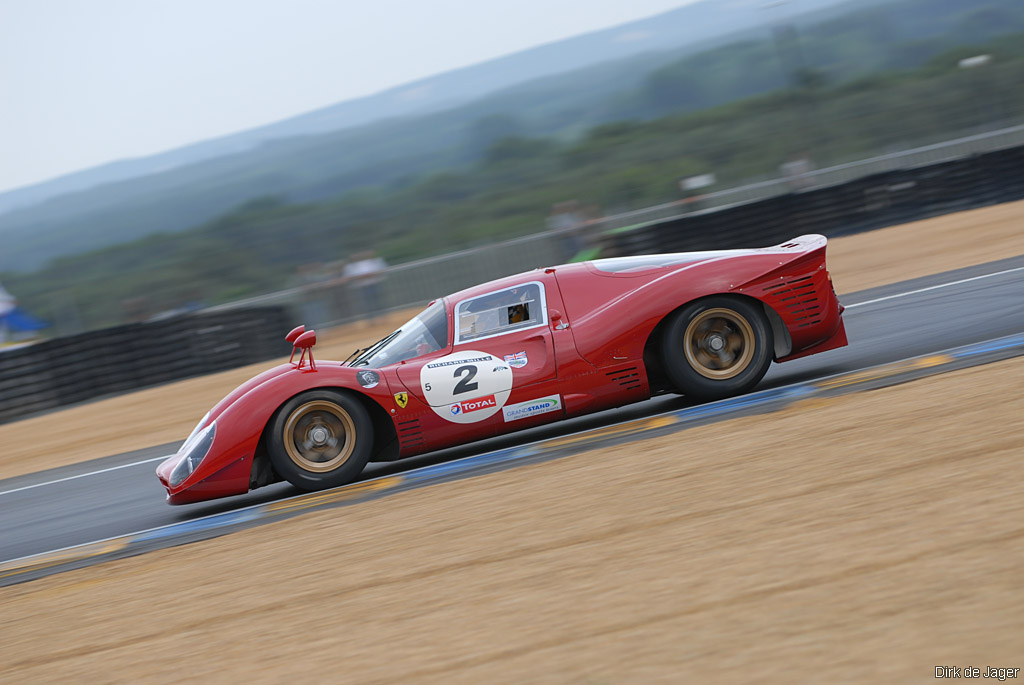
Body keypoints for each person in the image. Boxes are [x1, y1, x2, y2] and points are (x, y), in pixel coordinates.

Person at [343, 250, 388, 323]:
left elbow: (382, 270)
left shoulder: (375, 261)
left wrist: (370, 275)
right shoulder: (352, 266)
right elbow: (349, 276)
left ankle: (382, 316)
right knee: (366, 303)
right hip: (361, 286)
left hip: (374, 283)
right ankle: (371, 319)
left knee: (378, 301)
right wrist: (362, 277)